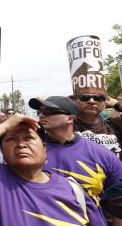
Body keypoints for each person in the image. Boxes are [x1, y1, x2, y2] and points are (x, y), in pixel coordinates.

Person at [0, 110, 107, 225]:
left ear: (45, 149)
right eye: (11, 139)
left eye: (29, 138)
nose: (20, 144)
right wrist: (4, 126)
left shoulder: (73, 190)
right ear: (3, 153)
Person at [29, 96, 122, 225]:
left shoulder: (102, 154)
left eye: (49, 111)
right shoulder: (28, 152)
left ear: (70, 118)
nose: (42, 115)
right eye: (40, 112)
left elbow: (118, 204)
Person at [71, 93, 122, 159]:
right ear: (74, 101)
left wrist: (117, 104)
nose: (91, 101)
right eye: (84, 97)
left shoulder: (116, 125)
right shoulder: (66, 127)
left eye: (98, 98)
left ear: (105, 104)